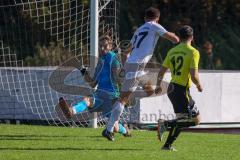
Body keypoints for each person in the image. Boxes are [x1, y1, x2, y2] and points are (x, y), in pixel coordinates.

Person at [102, 7, 179, 141]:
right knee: (123, 99)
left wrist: (126, 67)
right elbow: (174, 39)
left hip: (135, 66)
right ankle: (108, 130)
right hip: (136, 66)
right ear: (158, 18)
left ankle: (128, 97)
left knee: (149, 90)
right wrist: (177, 36)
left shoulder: (139, 29)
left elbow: (126, 51)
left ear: (145, 18)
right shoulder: (154, 26)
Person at [58, 35, 131, 137]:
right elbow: (93, 83)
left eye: (105, 46)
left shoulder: (112, 58)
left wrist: (124, 97)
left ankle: (126, 131)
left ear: (110, 46)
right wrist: (82, 70)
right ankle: (71, 111)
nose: (102, 48)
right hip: (99, 95)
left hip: (112, 97)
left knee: (115, 128)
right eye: (100, 46)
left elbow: (119, 78)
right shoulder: (101, 61)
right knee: (87, 100)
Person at [155, 25, 203, 151]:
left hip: (171, 88)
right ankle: (165, 124)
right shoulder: (193, 52)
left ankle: (167, 146)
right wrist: (199, 85)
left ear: (179, 37)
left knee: (181, 120)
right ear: (192, 37)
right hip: (181, 90)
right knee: (195, 120)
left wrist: (158, 85)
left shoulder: (172, 51)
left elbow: (161, 71)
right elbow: (194, 75)